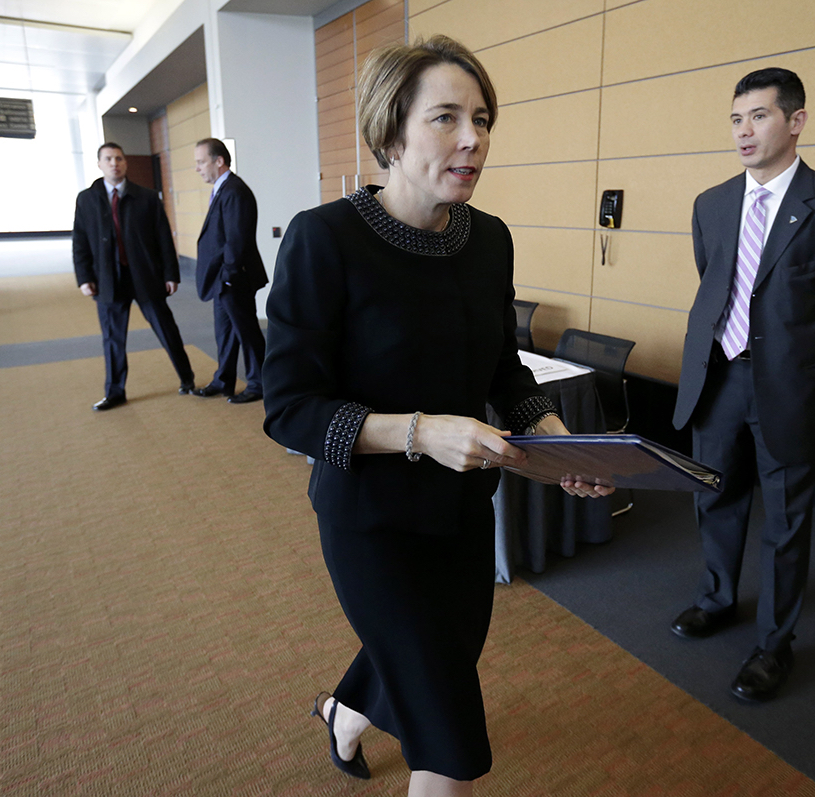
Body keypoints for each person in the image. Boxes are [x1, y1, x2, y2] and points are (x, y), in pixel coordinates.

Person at [262, 36, 611, 797]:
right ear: (390, 132)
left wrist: (560, 441)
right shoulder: (325, 240)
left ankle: (345, 713)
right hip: (370, 522)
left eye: (481, 119)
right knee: (449, 737)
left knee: (437, 656)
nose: (473, 139)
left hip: (461, 512)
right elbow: (288, 408)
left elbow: (502, 371)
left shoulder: (487, 239)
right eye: (446, 118)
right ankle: (370, 720)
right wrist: (421, 430)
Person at [670, 68, 815, 702]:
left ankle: (774, 644)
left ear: (796, 122)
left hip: (791, 385)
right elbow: (717, 283)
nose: (744, 131)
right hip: (717, 376)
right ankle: (716, 598)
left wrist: (795, 345)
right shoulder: (710, 204)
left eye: (759, 116)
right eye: (736, 119)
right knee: (715, 494)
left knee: (786, 518)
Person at [71, 142, 196, 411]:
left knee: (167, 330)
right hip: (108, 280)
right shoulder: (86, 199)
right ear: (99, 164)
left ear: (125, 163)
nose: (114, 163)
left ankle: (187, 379)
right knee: (113, 338)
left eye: (119, 158)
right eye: (108, 159)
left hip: (145, 276)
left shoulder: (147, 197)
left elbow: (163, 238)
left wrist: (170, 274)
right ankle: (115, 392)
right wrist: (84, 277)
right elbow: (79, 241)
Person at [191, 137, 268, 404]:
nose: (198, 168)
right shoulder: (223, 190)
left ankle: (259, 384)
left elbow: (236, 241)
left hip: (233, 279)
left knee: (247, 332)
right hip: (222, 280)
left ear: (219, 161)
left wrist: (227, 277)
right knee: (225, 333)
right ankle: (223, 379)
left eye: (201, 162)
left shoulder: (235, 191)